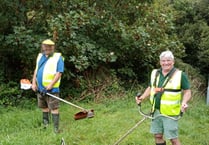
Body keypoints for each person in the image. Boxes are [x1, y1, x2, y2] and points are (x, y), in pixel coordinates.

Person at [135, 50, 191, 145]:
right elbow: (150, 87)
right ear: (160, 62)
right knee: (158, 135)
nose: (166, 63)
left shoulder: (180, 75)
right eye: (163, 60)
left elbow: (187, 91)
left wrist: (184, 102)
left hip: (170, 112)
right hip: (156, 110)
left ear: (173, 61)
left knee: (173, 138)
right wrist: (142, 98)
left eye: (168, 60)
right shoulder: (155, 73)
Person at [32, 39, 64, 133]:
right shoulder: (40, 56)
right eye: (45, 46)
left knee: (54, 108)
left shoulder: (58, 57)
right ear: (42, 47)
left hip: (52, 89)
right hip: (40, 89)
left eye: (49, 46)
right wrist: (34, 83)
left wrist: (51, 85)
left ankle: (55, 129)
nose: (47, 48)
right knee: (44, 107)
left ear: (53, 47)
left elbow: (59, 73)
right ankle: (45, 125)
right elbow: (36, 70)